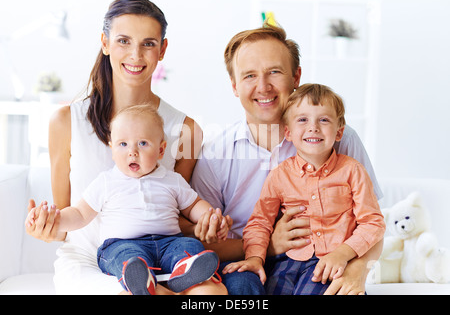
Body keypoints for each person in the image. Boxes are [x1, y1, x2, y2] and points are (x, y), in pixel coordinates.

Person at [24, 0, 219, 295]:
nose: (136, 55)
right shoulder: (66, 121)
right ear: (105, 43)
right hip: (90, 262)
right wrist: (46, 227)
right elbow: (64, 224)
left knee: (213, 294)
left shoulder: (186, 129)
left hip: (162, 257)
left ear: (162, 50)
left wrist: (206, 223)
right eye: (124, 41)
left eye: (148, 43)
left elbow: (177, 212)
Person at [190, 23, 384, 295]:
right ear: (234, 86)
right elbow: (202, 242)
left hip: (328, 263)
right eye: (249, 76)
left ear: (296, 76)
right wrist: (269, 246)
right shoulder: (215, 153)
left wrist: (357, 270)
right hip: (248, 266)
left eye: (274, 72)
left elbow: (373, 223)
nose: (263, 86)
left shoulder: (336, 137)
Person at [26, 105, 228, 295]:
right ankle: (139, 276)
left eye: (142, 143)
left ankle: (184, 271)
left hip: (169, 242)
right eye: (123, 144)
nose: (132, 151)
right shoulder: (106, 182)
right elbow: (79, 214)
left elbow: (193, 205)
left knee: (190, 247)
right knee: (128, 257)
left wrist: (210, 216)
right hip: (122, 244)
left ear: (161, 150)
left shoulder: (172, 180)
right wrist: (56, 219)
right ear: (112, 150)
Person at [223, 84, 386, 295]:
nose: (313, 127)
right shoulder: (279, 175)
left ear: (339, 132)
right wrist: (255, 257)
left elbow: (373, 222)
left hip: (330, 263)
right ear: (288, 133)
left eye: (324, 120)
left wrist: (343, 255)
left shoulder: (353, 171)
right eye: (303, 120)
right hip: (286, 263)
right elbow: (260, 222)